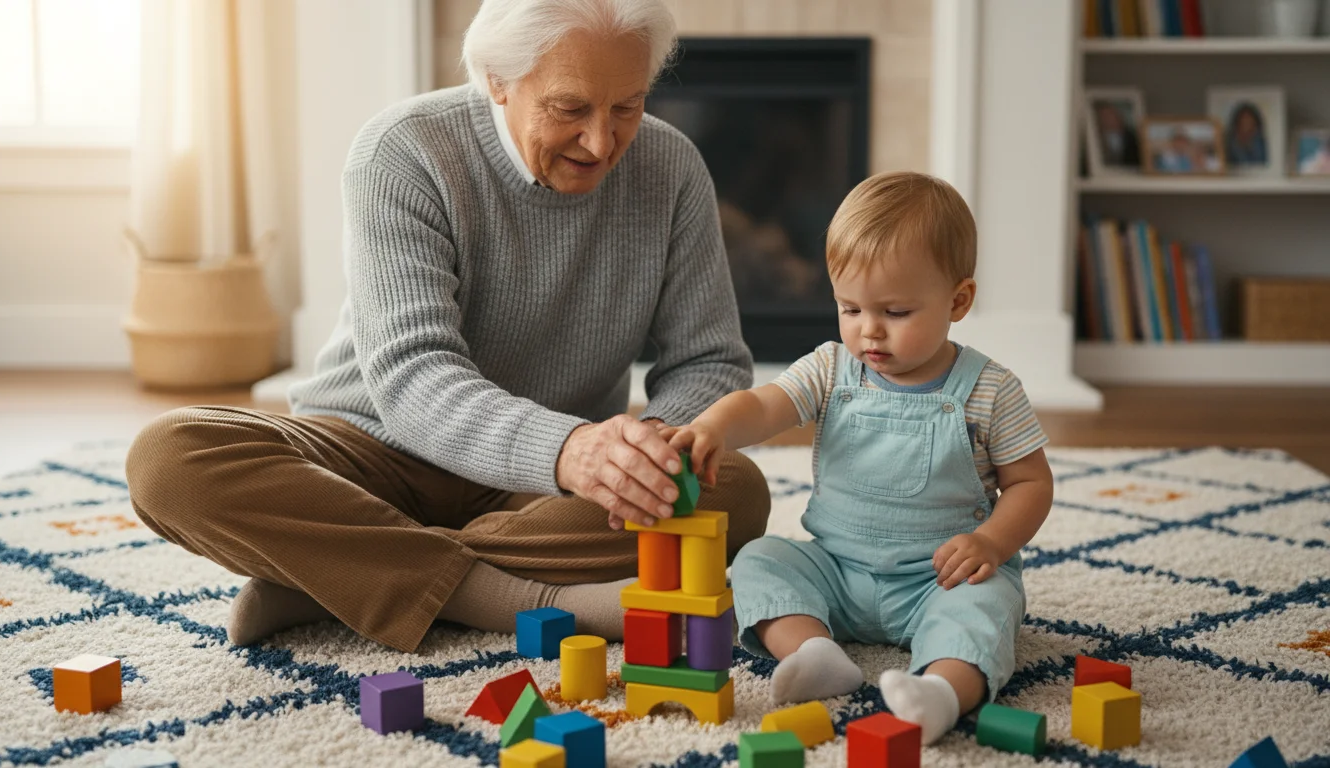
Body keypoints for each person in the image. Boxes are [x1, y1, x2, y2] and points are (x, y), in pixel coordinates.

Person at [124, 0, 771, 654]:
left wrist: (653, 451)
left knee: (734, 489)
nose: (602, 142)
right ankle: (522, 599)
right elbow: (413, 378)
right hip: (372, 455)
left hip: (534, 491)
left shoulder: (672, 167)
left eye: (627, 107)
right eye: (570, 108)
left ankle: (327, 574)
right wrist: (570, 449)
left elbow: (709, 363)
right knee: (169, 459)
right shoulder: (404, 149)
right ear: (497, 79)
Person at [663, 172, 1054, 745]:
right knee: (759, 559)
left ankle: (941, 693)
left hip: (940, 579)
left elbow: (1031, 483)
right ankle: (814, 653)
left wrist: (992, 543)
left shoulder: (990, 390)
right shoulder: (831, 369)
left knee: (987, 606)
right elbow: (766, 404)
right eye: (849, 308)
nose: (869, 331)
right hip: (838, 572)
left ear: (958, 300)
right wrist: (714, 426)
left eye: (895, 312)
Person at [1094, 100, 1141, 168]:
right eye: (1104, 117)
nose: (1108, 120)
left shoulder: (1134, 138)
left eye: (1111, 115)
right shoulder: (1096, 139)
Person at [1225, 103, 1267, 167]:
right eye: (1243, 120)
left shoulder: (1259, 141)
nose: (1246, 124)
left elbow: (1262, 164)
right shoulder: (1230, 142)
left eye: (1249, 120)